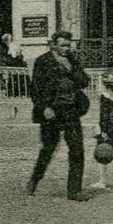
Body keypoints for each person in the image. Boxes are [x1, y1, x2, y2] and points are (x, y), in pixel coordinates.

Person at [26, 30, 92, 201]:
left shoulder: (72, 60)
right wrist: (44, 107)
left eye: (68, 46)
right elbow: (35, 89)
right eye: (62, 45)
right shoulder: (43, 61)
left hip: (71, 110)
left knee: (77, 149)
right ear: (53, 44)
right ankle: (34, 179)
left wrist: (72, 71)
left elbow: (85, 81)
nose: (66, 49)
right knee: (48, 148)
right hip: (52, 111)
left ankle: (74, 190)